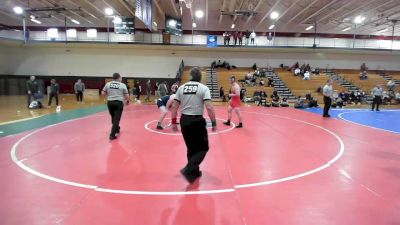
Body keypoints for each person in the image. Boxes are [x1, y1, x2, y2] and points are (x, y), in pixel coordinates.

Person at [170, 67, 217, 183]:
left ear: (190, 76)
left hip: (184, 120)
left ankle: (194, 172)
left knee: (191, 148)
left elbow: (174, 106)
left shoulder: (181, 88)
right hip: (197, 120)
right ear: (200, 77)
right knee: (203, 147)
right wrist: (214, 122)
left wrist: (173, 122)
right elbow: (209, 107)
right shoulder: (203, 88)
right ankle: (189, 169)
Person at [102, 73, 130, 140]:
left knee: (113, 117)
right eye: (121, 78)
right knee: (116, 119)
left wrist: (109, 95)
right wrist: (127, 101)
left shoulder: (108, 84)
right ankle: (112, 135)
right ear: (118, 78)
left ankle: (117, 128)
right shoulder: (122, 85)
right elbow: (127, 96)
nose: (121, 79)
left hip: (110, 103)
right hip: (118, 103)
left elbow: (103, 93)